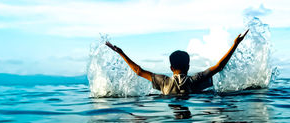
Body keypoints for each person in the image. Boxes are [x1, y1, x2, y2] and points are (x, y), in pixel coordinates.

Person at [105, 29, 249, 95]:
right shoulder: (194, 80)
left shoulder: (163, 82)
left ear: (171, 67)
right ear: (188, 66)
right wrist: (235, 44)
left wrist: (120, 52)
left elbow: (138, 71)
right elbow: (219, 66)